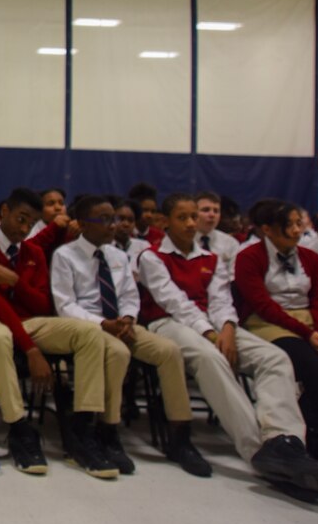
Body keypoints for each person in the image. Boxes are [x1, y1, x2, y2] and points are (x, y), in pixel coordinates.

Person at [138, 193, 318, 497]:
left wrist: (229, 327)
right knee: (211, 358)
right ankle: (259, 451)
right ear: (165, 222)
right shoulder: (152, 257)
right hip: (168, 323)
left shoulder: (212, 258)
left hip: (215, 323)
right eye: (183, 218)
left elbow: (221, 300)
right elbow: (174, 302)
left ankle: (285, 441)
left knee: (274, 357)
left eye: (194, 216)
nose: (192, 223)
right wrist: (211, 333)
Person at [0, 187, 122, 479]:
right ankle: (19, 427)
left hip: (30, 321)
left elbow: (43, 303)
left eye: (31, 222)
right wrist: (32, 351)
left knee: (88, 333)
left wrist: (14, 281)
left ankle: (82, 432)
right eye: (20, 219)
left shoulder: (33, 252)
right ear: (5, 211)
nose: (24, 228)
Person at [51, 195, 209, 477]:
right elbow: (66, 305)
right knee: (118, 352)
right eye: (105, 220)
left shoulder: (118, 255)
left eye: (115, 218)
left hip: (122, 324)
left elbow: (128, 295)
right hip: (92, 327)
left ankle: (180, 436)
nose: (114, 225)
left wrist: (127, 318)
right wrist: (103, 323)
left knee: (169, 351)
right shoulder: (65, 255)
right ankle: (107, 431)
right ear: (84, 224)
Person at [234, 201, 318, 463]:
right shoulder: (249, 257)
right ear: (268, 229)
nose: (296, 231)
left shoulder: (310, 257)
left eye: (299, 224)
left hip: (310, 320)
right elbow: (263, 304)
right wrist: (308, 335)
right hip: (268, 323)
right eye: (289, 225)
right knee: (308, 361)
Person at [195, 190, 240, 274]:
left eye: (216, 211)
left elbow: (233, 275)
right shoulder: (183, 241)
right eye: (206, 210)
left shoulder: (230, 243)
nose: (212, 215)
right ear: (193, 213)